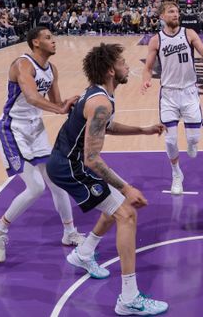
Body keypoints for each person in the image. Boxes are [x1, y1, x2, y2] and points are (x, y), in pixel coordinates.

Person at [47, 43, 169, 315]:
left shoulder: (99, 96)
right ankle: (129, 299)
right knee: (126, 214)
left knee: (111, 206)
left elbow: (105, 126)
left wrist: (143, 130)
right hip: (70, 166)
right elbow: (91, 158)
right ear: (112, 70)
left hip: (67, 161)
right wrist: (127, 187)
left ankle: (84, 253)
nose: (128, 66)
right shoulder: (100, 102)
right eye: (124, 62)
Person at [0, 27, 83, 263]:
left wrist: (68, 104)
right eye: (48, 38)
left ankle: (69, 233)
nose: (54, 41)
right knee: (36, 187)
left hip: (35, 128)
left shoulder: (52, 70)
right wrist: (59, 108)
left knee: (57, 181)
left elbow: (56, 103)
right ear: (35, 42)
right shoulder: (23, 64)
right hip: (13, 129)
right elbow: (30, 97)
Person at [141, 1, 203, 194]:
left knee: (194, 139)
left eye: (177, 11)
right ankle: (176, 174)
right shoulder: (156, 40)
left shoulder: (189, 33)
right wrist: (145, 81)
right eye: (171, 11)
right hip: (169, 94)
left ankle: (192, 141)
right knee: (170, 141)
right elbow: (147, 68)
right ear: (162, 16)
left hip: (189, 92)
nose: (176, 14)